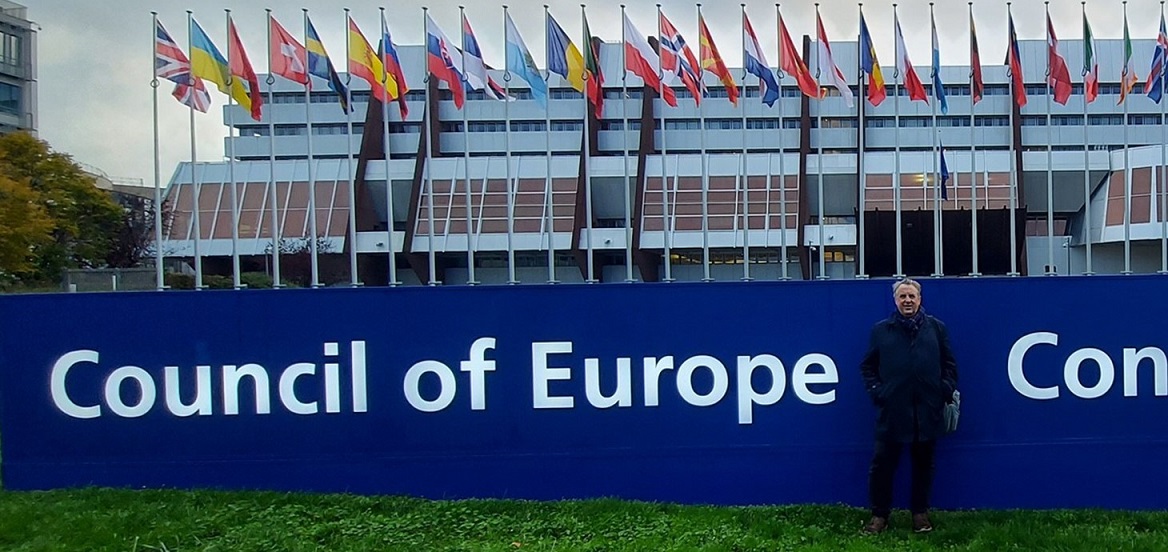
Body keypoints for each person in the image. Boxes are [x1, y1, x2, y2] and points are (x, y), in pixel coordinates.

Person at [859, 278, 958, 534]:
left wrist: (944, 390)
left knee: (924, 466)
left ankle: (920, 514)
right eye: (902, 296)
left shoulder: (936, 328)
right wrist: (878, 393)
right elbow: (868, 367)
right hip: (892, 412)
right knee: (882, 467)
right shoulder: (882, 330)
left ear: (920, 298)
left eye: (912, 296)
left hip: (927, 411)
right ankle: (879, 516)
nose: (907, 301)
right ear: (895, 300)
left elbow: (950, 364)